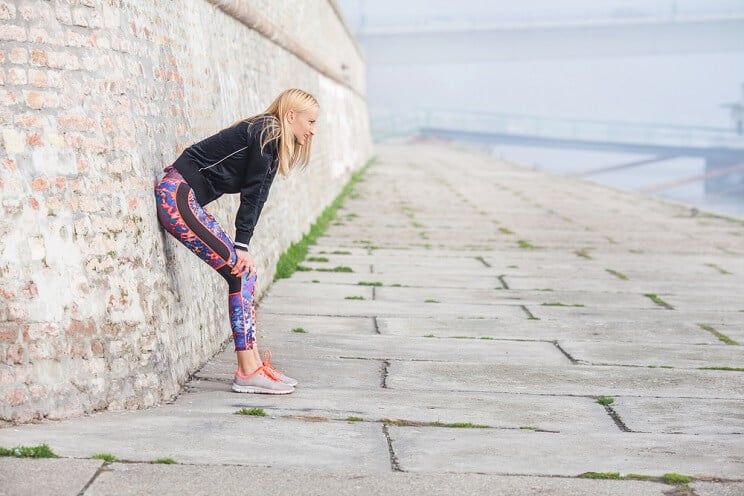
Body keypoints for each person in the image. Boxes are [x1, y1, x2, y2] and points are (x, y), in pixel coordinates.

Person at [154, 89, 319, 394]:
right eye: (310, 121)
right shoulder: (267, 132)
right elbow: (253, 192)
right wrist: (241, 246)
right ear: (291, 116)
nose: (312, 130)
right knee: (241, 271)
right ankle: (247, 371)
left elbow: (259, 195)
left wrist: (243, 245)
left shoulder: (270, 136)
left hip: (184, 197)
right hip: (177, 195)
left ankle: (253, 365)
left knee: (245, 273)